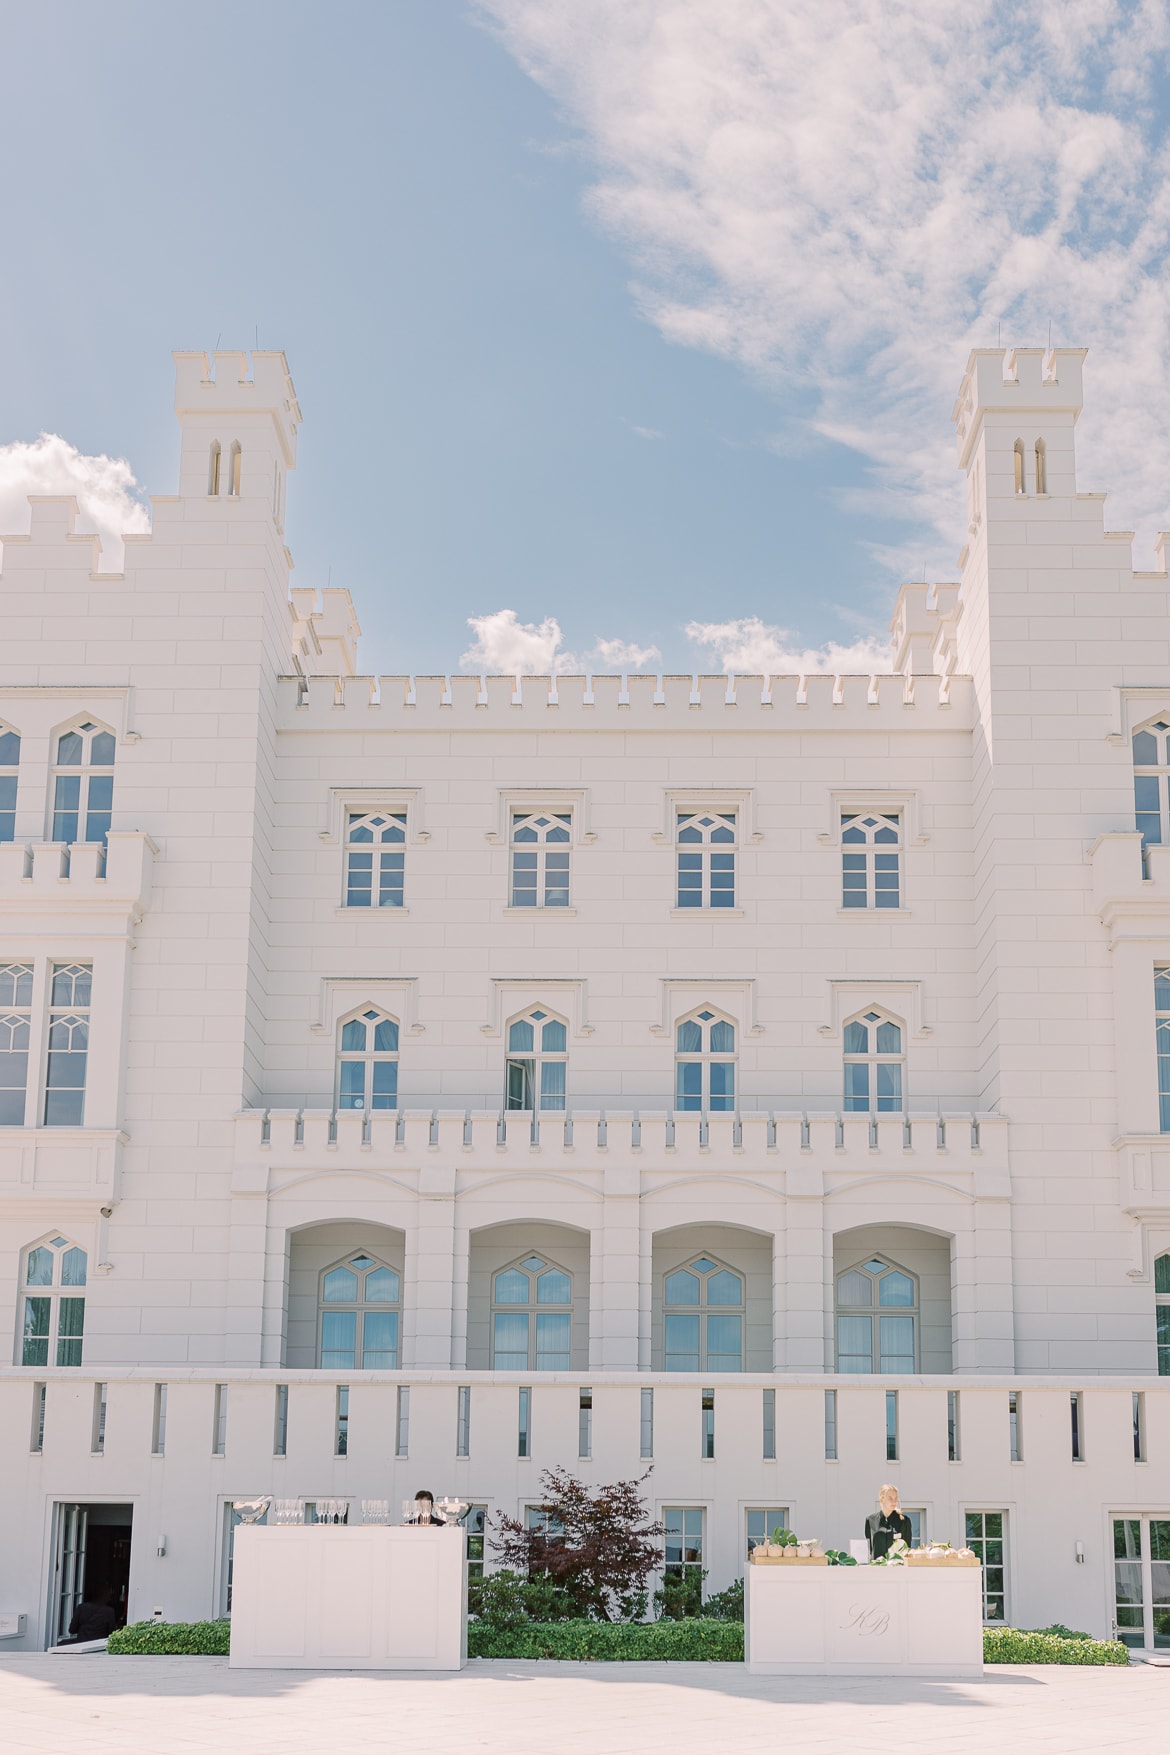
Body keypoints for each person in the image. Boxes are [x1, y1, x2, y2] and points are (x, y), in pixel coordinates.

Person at [865, 1483, 913, 1561]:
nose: (894, 1501)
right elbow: (870, 1548)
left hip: (897, 1568)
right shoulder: (870, 1520)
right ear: (881, 1499)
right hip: (877, 1568)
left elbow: (907, 1548)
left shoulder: (904, 1521)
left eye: (896, 1498)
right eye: (890, 1498)